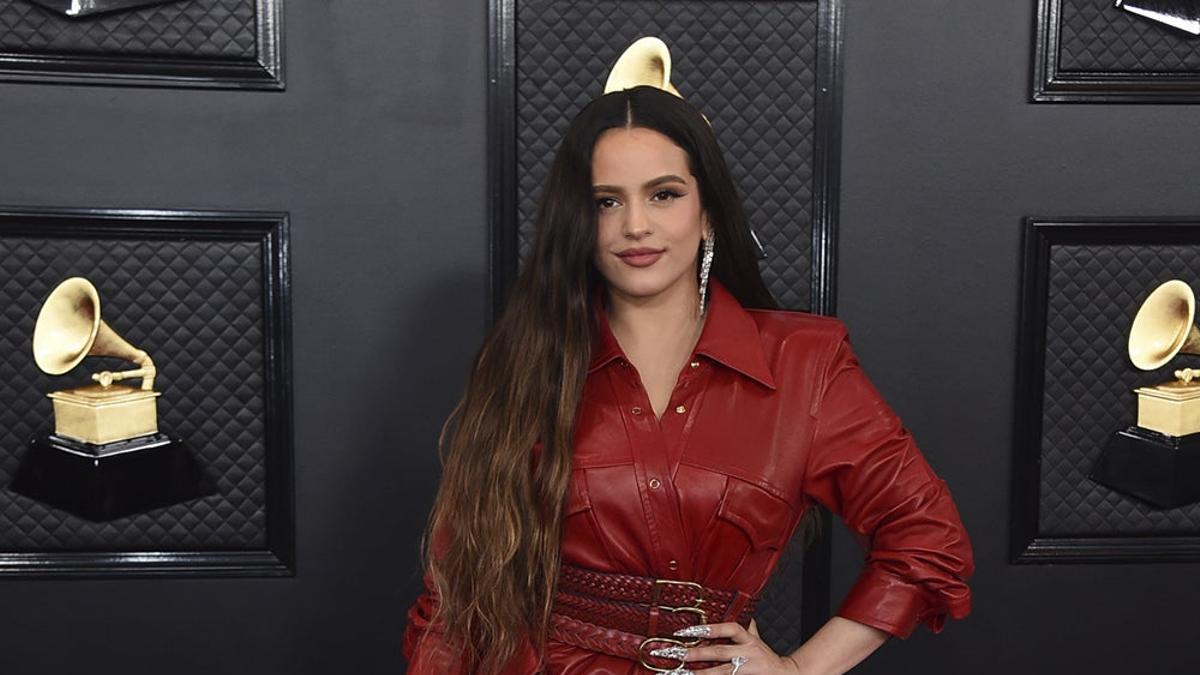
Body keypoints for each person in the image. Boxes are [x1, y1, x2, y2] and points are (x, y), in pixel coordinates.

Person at [403, 38, 973, 675]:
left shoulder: (803, 364)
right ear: (578, 222)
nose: (635, 225)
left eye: (664, 194)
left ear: (706, 212)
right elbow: (454, 598)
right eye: (606, 201)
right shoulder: (527, 360)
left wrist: (798, 671)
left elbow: (927, 538)